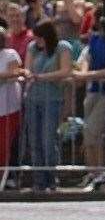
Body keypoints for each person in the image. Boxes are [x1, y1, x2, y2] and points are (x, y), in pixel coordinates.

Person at [22, 21, 74, 188]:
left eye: (40, 37)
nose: (37, 40)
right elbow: (27, 69)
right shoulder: (32, 47)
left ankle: (51, 178)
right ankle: (39, 180)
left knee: (48, 139)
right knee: (35, 140)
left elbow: (66, 71)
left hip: (52, 100)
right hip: (33, 99)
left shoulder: (62, 47)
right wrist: (29, 75)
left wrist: (41, 77)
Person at [75, 15, 105, 187]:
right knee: (88, 132)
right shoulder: (95, 39)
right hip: (92, 91)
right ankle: (93, 172)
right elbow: (86, 60)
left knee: (93, 129)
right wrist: (84, 72)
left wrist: (86, 75)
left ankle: (102, 172)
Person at [0, 22, 21, 190]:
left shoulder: (10, 54)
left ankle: (7, 176)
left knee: (6, 143)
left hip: (8, 108)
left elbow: (15, 73)